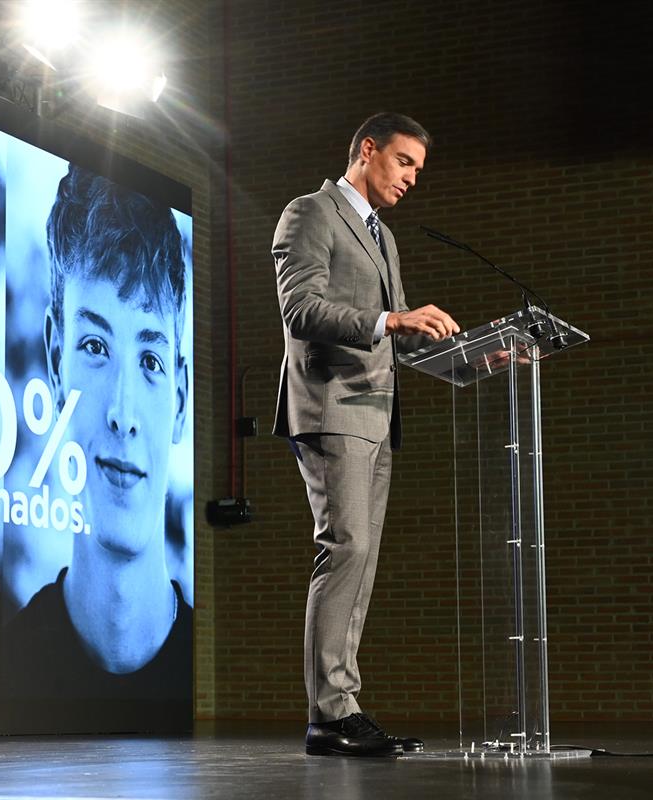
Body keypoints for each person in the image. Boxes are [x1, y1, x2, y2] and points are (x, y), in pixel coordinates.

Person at [272, 112, 460, 756]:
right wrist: (392, 318)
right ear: (367, 149)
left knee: (362, 560)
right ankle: (328, 713)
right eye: (404, 162)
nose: (412, 178)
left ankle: (342, 706)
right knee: (345, 549)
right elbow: (301, 310)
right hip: (331, 406)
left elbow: (395, 339)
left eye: (418, 171)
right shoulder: (310, 213)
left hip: (376, 415)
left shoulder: (383, 237)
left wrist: (482, 358)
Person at [4, 164, 191, 698]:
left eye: (151, 359)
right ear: (56, 361)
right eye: (95, 347)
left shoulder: (214, 680)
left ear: (180, 399)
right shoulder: (7, 666)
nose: (122, 412)